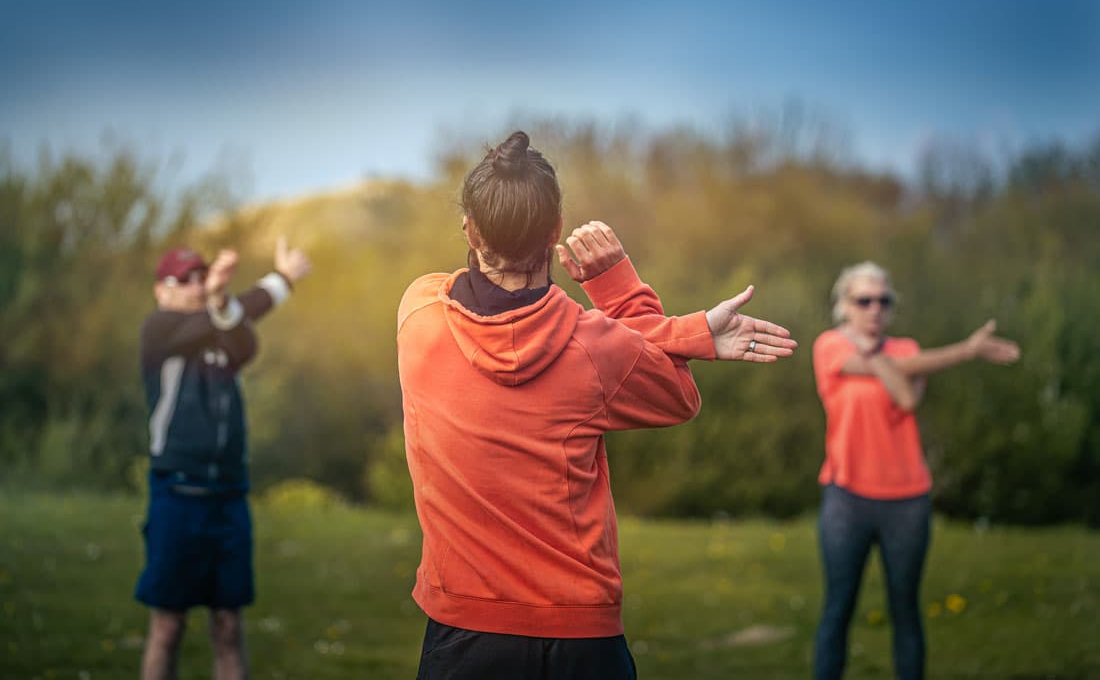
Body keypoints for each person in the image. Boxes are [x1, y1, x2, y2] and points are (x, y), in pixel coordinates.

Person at [397, 130, 799, 679]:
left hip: (463, 633)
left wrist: (695, 330)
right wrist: (627, 292)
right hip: (580, 636)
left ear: (469, 228)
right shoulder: (596, 348)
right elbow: (677, 394)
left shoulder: (418, 313)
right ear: (556, 230)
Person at [811, 261, 1020, 680]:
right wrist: (964, 351)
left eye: (883, 300)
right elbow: (902, 377)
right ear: (844, 305)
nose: (875, 309)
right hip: (846, 498)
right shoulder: (829, 345)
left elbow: (906, 399)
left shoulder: (907, 347)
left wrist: (876, 357)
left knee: (905, 608)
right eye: (864, 300)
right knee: (838, 607)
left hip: (906, 501)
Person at [135, 237, 311, 680]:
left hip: (229, 497)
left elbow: (243, 332)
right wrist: (281, 279)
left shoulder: (226, 332)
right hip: (176, 492)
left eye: (202, 277)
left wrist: (224, 301)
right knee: (168, 626)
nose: (196, 286)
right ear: (160, 291)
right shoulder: (157, 330)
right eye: (184, 280)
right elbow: (233, 312)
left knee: (229, 627)